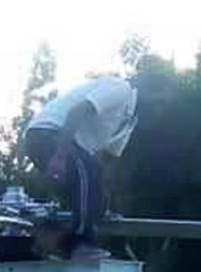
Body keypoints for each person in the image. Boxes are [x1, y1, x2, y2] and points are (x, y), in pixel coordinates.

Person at [24, 76, 137, 260]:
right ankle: (81, 245)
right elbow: (76, 113)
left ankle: (50, 240)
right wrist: (60, 157)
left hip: (70, 146)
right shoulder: (120, 89)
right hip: (47, 133)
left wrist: (102, 201)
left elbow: (107, 160)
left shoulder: (130, 120)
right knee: (89, 169)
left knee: (95, 201)